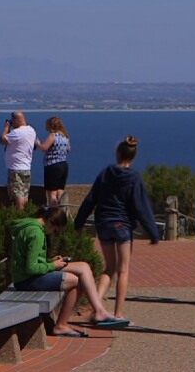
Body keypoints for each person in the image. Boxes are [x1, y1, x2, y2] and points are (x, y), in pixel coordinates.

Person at [74, 136, 159, 320]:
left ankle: (97, 309)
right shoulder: (134, 177)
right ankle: (118, 313)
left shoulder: (105, 173)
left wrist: (79, 223)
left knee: (109, 268)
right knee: (123, 270)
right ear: (133, 156)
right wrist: (153, 232)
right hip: (122, 225)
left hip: (103, 223)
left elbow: (91, 199)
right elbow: (141, 206)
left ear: (118, 154)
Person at [11, 207, 131, 336]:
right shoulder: (36, 233)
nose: (53, 233)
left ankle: (99, 310)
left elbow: (31, 260)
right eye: (55, 230)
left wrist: (50, 261)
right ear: (51, 222)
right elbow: (31, 268)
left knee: (83, 267)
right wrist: (52, 265)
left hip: (27, 276)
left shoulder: (32, 226)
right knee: (77, 281)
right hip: (27, 280)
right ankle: (62, 325)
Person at [1, 111, 36, 209]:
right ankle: (26, 213)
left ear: (16, 120)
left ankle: (21, 216)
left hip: (16, 168)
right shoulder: (31, 131)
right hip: (27, 168)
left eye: (13, 120)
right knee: (24, 194)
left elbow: (3, 140)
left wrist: (7, 127)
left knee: (18, 194)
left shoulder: (16, 133)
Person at [35, 116, 71, 207]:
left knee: (52, 194)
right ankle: (62, 213)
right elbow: (69, 149)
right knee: (60, 193)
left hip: (53, 165)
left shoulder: (53, 136)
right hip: (64, 165)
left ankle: (53, 214)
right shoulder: (65, 137)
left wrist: (38, 144)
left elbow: (44, 148)